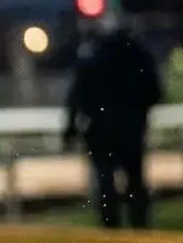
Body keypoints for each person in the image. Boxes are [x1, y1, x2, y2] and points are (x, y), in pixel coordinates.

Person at [65, 18, 163, 229]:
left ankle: (111, 228)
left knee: (105, 180)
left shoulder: (94, 55)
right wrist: (138, 112)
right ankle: (140, 226)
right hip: (131, 128)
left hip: (100, 130)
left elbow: (78, 94)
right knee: (135, 179)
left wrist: (71, 127)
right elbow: (155, 91)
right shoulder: (139, 56)